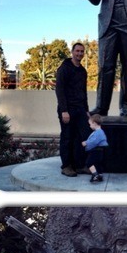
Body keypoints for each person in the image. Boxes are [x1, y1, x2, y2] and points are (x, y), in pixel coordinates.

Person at [55, 42, 91, 177]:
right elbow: (59, 90)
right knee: (67, 137)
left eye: (82, 51)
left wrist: (86, 110)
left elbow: (83, 91)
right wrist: (64, 110)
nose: (80, 53)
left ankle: (80, 165)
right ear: (72, 52)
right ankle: (66, 166)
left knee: (83, 136)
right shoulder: (64, 68)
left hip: (80, 109)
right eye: (77, 51)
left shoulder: (83, 71)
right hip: (67, 110)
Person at [82, 114, 109, 183]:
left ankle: (95, 175)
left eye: (90, 124)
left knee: (89, 163)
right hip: (99, 150)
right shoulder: (99, 132)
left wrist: (86, 143)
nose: (90, 126)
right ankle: (100, 175)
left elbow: (94, 141)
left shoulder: (98, 132)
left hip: (96, 150)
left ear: (94, 123)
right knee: (97, 164)